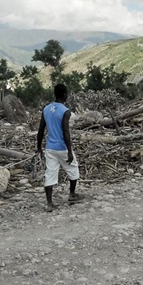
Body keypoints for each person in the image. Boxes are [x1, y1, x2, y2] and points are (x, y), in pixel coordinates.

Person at [36, 83, 82, 212]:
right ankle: (72, 194)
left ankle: (49, 203)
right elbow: (66, 132)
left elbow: (40, 130)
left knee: (50, 173)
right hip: (62, 147)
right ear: (65, 95)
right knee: (73, 168)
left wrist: (39, 147)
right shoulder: (65, 111)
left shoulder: (46, 109)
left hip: (50, 147)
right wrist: (69, 151)